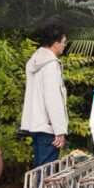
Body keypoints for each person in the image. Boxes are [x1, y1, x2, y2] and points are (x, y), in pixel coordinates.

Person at [21, 24, 68, 167]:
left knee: (39, 169)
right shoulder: (51, 65)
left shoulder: (35, 61)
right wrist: (59, 130)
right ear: (55, 44)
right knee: (47, 173)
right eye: (64, 42)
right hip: (48, 127)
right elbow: (53, 99)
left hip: (35, 125)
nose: (65, 45)